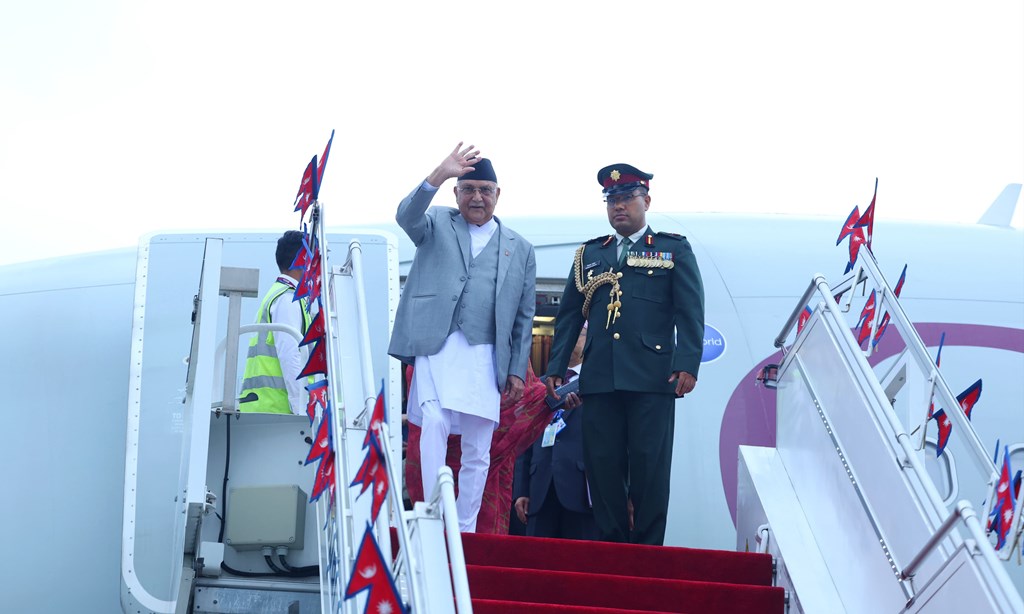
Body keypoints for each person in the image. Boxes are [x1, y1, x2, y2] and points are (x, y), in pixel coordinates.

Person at [544, 163, 704, 546]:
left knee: (650, 470)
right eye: (611, 199)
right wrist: (556, 366)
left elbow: (690, 311)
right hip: (600, 379)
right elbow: (569, 315)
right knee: (603, 469)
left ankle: (647, 553)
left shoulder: (672, 249)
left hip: (653, 378)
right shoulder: (589, 254)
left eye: (627, 198)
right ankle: (612, 550)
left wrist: (687, 363)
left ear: (646, 201)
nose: (618, 206)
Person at [388, 143, 537, 533]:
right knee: (434, 421)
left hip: (485, 354)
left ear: (498, 194)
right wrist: (439, 172)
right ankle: (432, 515)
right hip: (436, 345)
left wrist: (516, 370)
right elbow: (405, 216)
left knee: (477, 445)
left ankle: (466, 528)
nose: (477, 197)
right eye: (468, 189)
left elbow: (524, 317)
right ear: (456, 193)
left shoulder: (520, 248)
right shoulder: (437, 222)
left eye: (485, 190)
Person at [404, 360, 552, 535]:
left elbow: (528, 395)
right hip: (446, 460)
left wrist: (547, 399)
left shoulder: (494, 352)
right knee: (437, 532)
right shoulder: (422, 359)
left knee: (474, 535)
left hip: (484, 463)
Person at [514, 326, 597, 540]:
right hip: (539, 488)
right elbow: (524, 439)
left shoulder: (597, 384)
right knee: (537, 556)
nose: (569, 339)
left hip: (580, 487)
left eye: (577, 334)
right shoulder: (540, 385)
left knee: (579, 556)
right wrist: (521, 490)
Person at [239, 230, 312, 415]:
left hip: (268, 409)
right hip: (278, 411)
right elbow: (290, 356)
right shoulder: (288, 299)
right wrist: (302, 410)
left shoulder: (280, 294)